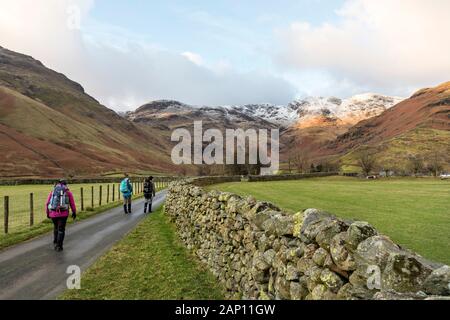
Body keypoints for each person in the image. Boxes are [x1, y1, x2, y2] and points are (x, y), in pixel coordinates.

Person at [46, 179, 76, 252]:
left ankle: (55, 242)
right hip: (63, 213)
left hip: (53, 213)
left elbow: (47, 203)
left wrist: (48, 213)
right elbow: (72, 203)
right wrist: (74, 212)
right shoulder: (68, 192)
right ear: (66, 184)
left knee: (56, 227)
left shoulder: (53, 192)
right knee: (61, 229)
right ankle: (59, 246)